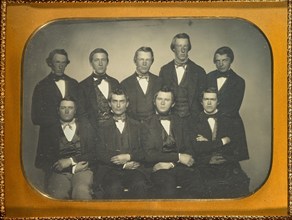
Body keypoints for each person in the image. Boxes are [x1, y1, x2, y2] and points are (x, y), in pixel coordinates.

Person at [141, 86, 205, 199]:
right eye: (159, 99)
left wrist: (171, 164)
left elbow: (190, 150)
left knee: (197, 184)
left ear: (173, 103)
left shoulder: (181, 122)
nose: (162, 103)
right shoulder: (146, 124)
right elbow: (149, 155)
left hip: (179, 167)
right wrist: (178, 157)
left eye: (167, 100)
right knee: (167, 186)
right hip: (157, 168)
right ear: (154, 102)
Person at [191, 88, 250, 198]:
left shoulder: (230, 120)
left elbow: (235, 146)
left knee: (239, 188)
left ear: (218, 102)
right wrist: (222, 141)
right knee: (204, 191)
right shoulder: (193, 121)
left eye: (212, 99)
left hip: (226, 162)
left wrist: (208, 143)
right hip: (204, 164)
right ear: (201, 101)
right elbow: (197, 148)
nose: (209, 103)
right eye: (206, 99)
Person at [34, 97, 97, 200]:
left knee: (81, 192)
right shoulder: (48, 130)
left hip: (83, 169)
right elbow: (41, 161)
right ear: (58, 110)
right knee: (58, 194)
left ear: (75, 110)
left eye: (70, 108)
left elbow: (94, 153)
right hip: (59, 173)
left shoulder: (86, 126)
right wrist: (71, 168)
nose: (67, 111)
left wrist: (71, 161)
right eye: (63, 108)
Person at [95, 88, 149, 199]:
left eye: (122, 101)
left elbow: (145, 151)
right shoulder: (102, 127)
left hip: (134, 168)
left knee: (140, 185)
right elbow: (100, 153)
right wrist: (123, 164)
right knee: (114, 188)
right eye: (115, 101)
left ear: (127, 104)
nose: (118, 105)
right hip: (111, 170)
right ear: (109, 104)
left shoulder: (138, 125)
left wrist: (130, 156)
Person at [207, 46, 249, 161]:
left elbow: (233, 108)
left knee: (228, 162)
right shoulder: (208, 77)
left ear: (231, 61)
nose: (221, 64)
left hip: (230, 125)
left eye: (224, 60)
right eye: (218, 61)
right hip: (209, 123)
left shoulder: (239, 81)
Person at [159, 33, 207, 119]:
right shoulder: (164, 70)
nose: (182, 50)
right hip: (171, 119)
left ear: (189, 48)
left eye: (185, 46)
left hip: (193, 121)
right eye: (179, 46)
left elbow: (203, 100)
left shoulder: (199, 71)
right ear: (173, 48)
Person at [31, 49, 79, 127]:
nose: (60, 66)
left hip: (72, 133)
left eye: (63, 62)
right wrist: (59, 120)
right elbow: (35, 118)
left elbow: (81, 111)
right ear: (50, 63)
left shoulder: (74, 83)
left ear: (66, 64)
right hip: (49, 134)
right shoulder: (41, 86)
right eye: (57, 62)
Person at [79, 48, 119, 130]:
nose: (100, 63)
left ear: (107, 62)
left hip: (114, 129)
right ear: (91, 63)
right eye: (96, 60)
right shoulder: (83, 86)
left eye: (103, 60)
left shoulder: (115, 82)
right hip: (94, 131)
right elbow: (82, 114)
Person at [121, 46, 162, 122]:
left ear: (152, 61)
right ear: (135, 61)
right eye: (141, 59)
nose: (144, 63)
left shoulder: (159, 81)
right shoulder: (125, 84)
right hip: (133, 128)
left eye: (148, 60)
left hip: (154, 128)